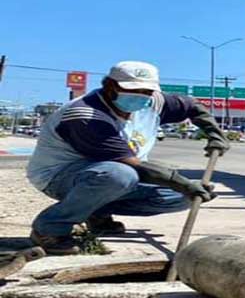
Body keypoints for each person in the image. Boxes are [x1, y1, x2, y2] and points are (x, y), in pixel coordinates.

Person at [25, 61, 230, 255]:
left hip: (112, 175)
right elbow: (130, 164)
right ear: (110, 86)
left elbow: (193, 106)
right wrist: (181, 182)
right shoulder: (86, 115)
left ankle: (95, 213)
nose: (141, 96)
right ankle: (50, 228)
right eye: (132, 91)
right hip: (60, 176)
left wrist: (215, 134)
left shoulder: (153, 102)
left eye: (146, 91)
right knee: (119, 175)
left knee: (185, 197)